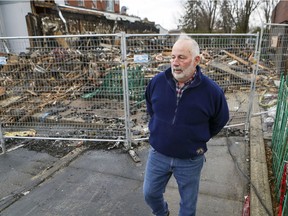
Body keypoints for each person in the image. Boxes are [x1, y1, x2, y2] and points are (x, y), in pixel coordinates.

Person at [143, 34, 229, 216]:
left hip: (190, 159)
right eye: (173, 57)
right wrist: (160, 131)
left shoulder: (212, 92)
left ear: (196, 60)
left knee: (188, 207)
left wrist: (199, 137)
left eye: (181, 57)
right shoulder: (157, 82)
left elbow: (220, 119)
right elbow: (152, 108)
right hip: (159, 154)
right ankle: (162, 213)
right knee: (150, 193)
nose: (175, 62)